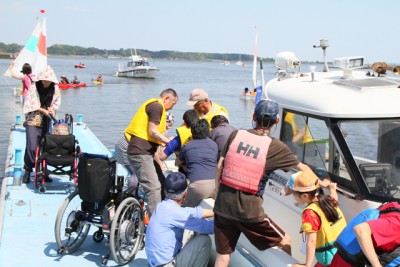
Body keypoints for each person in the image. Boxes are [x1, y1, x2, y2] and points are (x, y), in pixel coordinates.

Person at [213, 99, 312, 267]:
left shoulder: (236, 135)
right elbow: (304, 169)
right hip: (250, 212)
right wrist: (324, 184)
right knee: (285, 240)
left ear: (253, 116)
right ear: (277, 121)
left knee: (223, 256)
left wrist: (217, 197)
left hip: (222, 206)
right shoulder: (276, 147)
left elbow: (220, 167)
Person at [126, 88, 178, 217]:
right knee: (154, 187)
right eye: (172, 104)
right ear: (166, 98)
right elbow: (153, 131)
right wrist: (168, 142)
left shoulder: (156, 106)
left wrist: (163, 142)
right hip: (140, 153)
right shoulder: (156, 106)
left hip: (146, 153)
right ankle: (156, 223)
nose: (171, 108)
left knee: (162, 181)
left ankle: (164, 212)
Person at [145, 172, 214, 267]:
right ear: (185, 194)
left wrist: (216, 212)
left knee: (190, 229)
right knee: (204, 240)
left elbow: (190, 212)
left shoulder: (162, 206)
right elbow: (209, 228)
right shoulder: (176, 213)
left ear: (165, 191)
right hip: (166, 265)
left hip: (154, 264)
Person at [284, 170, 347, 267]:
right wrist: (332, 188)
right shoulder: (329, 201)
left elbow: (312, 241)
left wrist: (307, 265)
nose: (293, 196)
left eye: (294, 193)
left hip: (329, 259)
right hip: (344, 252)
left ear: (305, 195)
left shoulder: (310, 213)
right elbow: (334, 196)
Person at [328, 201, 400, 267]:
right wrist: (377, 265)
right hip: (351, 262)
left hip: (344, 256)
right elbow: (361, 230)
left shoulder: (395, 208)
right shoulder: (397, 223)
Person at [22, 65, 61, 183]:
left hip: (46, 120)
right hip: (33, 119)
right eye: (44, 80)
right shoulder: (35, 86)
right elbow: (30, 102)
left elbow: (56, 102)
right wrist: (42, 109)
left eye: (48, 80)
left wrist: (51, 108)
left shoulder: (55, 87)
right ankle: (28, 170)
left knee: (44, 146)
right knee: (32, 146)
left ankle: (43, 172)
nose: (46, 82)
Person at [177, 119, 218, 207]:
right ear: (208, 131)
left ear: (192, 131)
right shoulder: (214, 145)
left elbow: (177, 162)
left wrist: (184, 164)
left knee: (181, 208)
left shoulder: (187, 145)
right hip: (215, 185)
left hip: (197, 187)